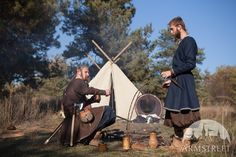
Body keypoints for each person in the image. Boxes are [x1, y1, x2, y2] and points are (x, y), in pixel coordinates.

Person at [161, 17, 201, 149]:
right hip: (178, 81)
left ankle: (186, 141)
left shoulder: (189, 41)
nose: (171, 32)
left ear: (179, 27)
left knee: (186, 113)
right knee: (174, 111)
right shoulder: (181, 43)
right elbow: (181, 65)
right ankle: (177, 141)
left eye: (172, 29)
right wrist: (171, 80)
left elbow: (190, 64)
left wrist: (171, 72)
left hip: (185, 82)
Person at [59, 65, 116, 146]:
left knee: (107, 112)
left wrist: (93, 100)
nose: (88, 74)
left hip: (76, 111)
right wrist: (104, 92)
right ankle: (89, 137)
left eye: (88, 72)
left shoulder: (74, 83)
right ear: (78, 72)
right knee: (109, 111)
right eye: (86, 72)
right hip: (75, 115)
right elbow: (89, 90)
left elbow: (81, 104)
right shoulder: (78, 82)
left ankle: (92, 135)